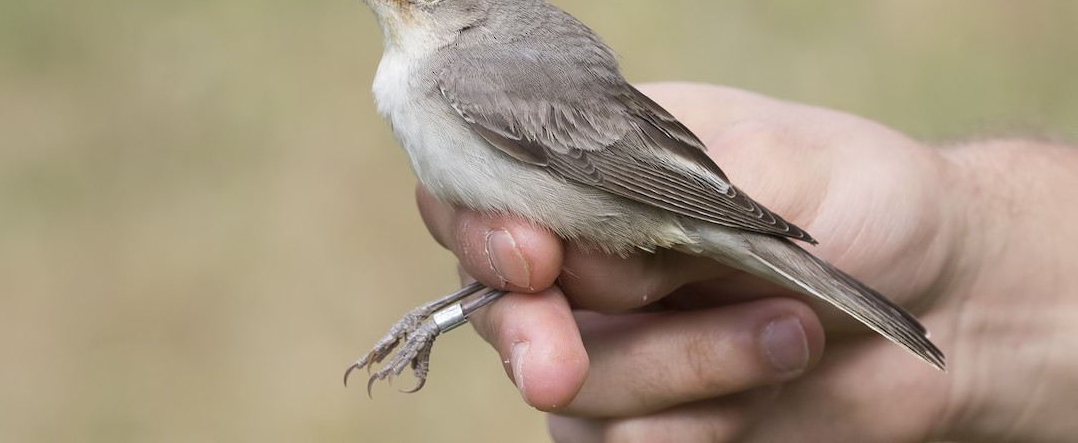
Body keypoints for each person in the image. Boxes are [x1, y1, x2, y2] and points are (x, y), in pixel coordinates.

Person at [416, 82, 1078, 442]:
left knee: (531, 267)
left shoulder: (468, 83)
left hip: (644, 201)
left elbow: (621, 167)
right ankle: (438, 318)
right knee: (526, 267)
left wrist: (968, 267)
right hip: (644, 201)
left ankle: (436, 319)